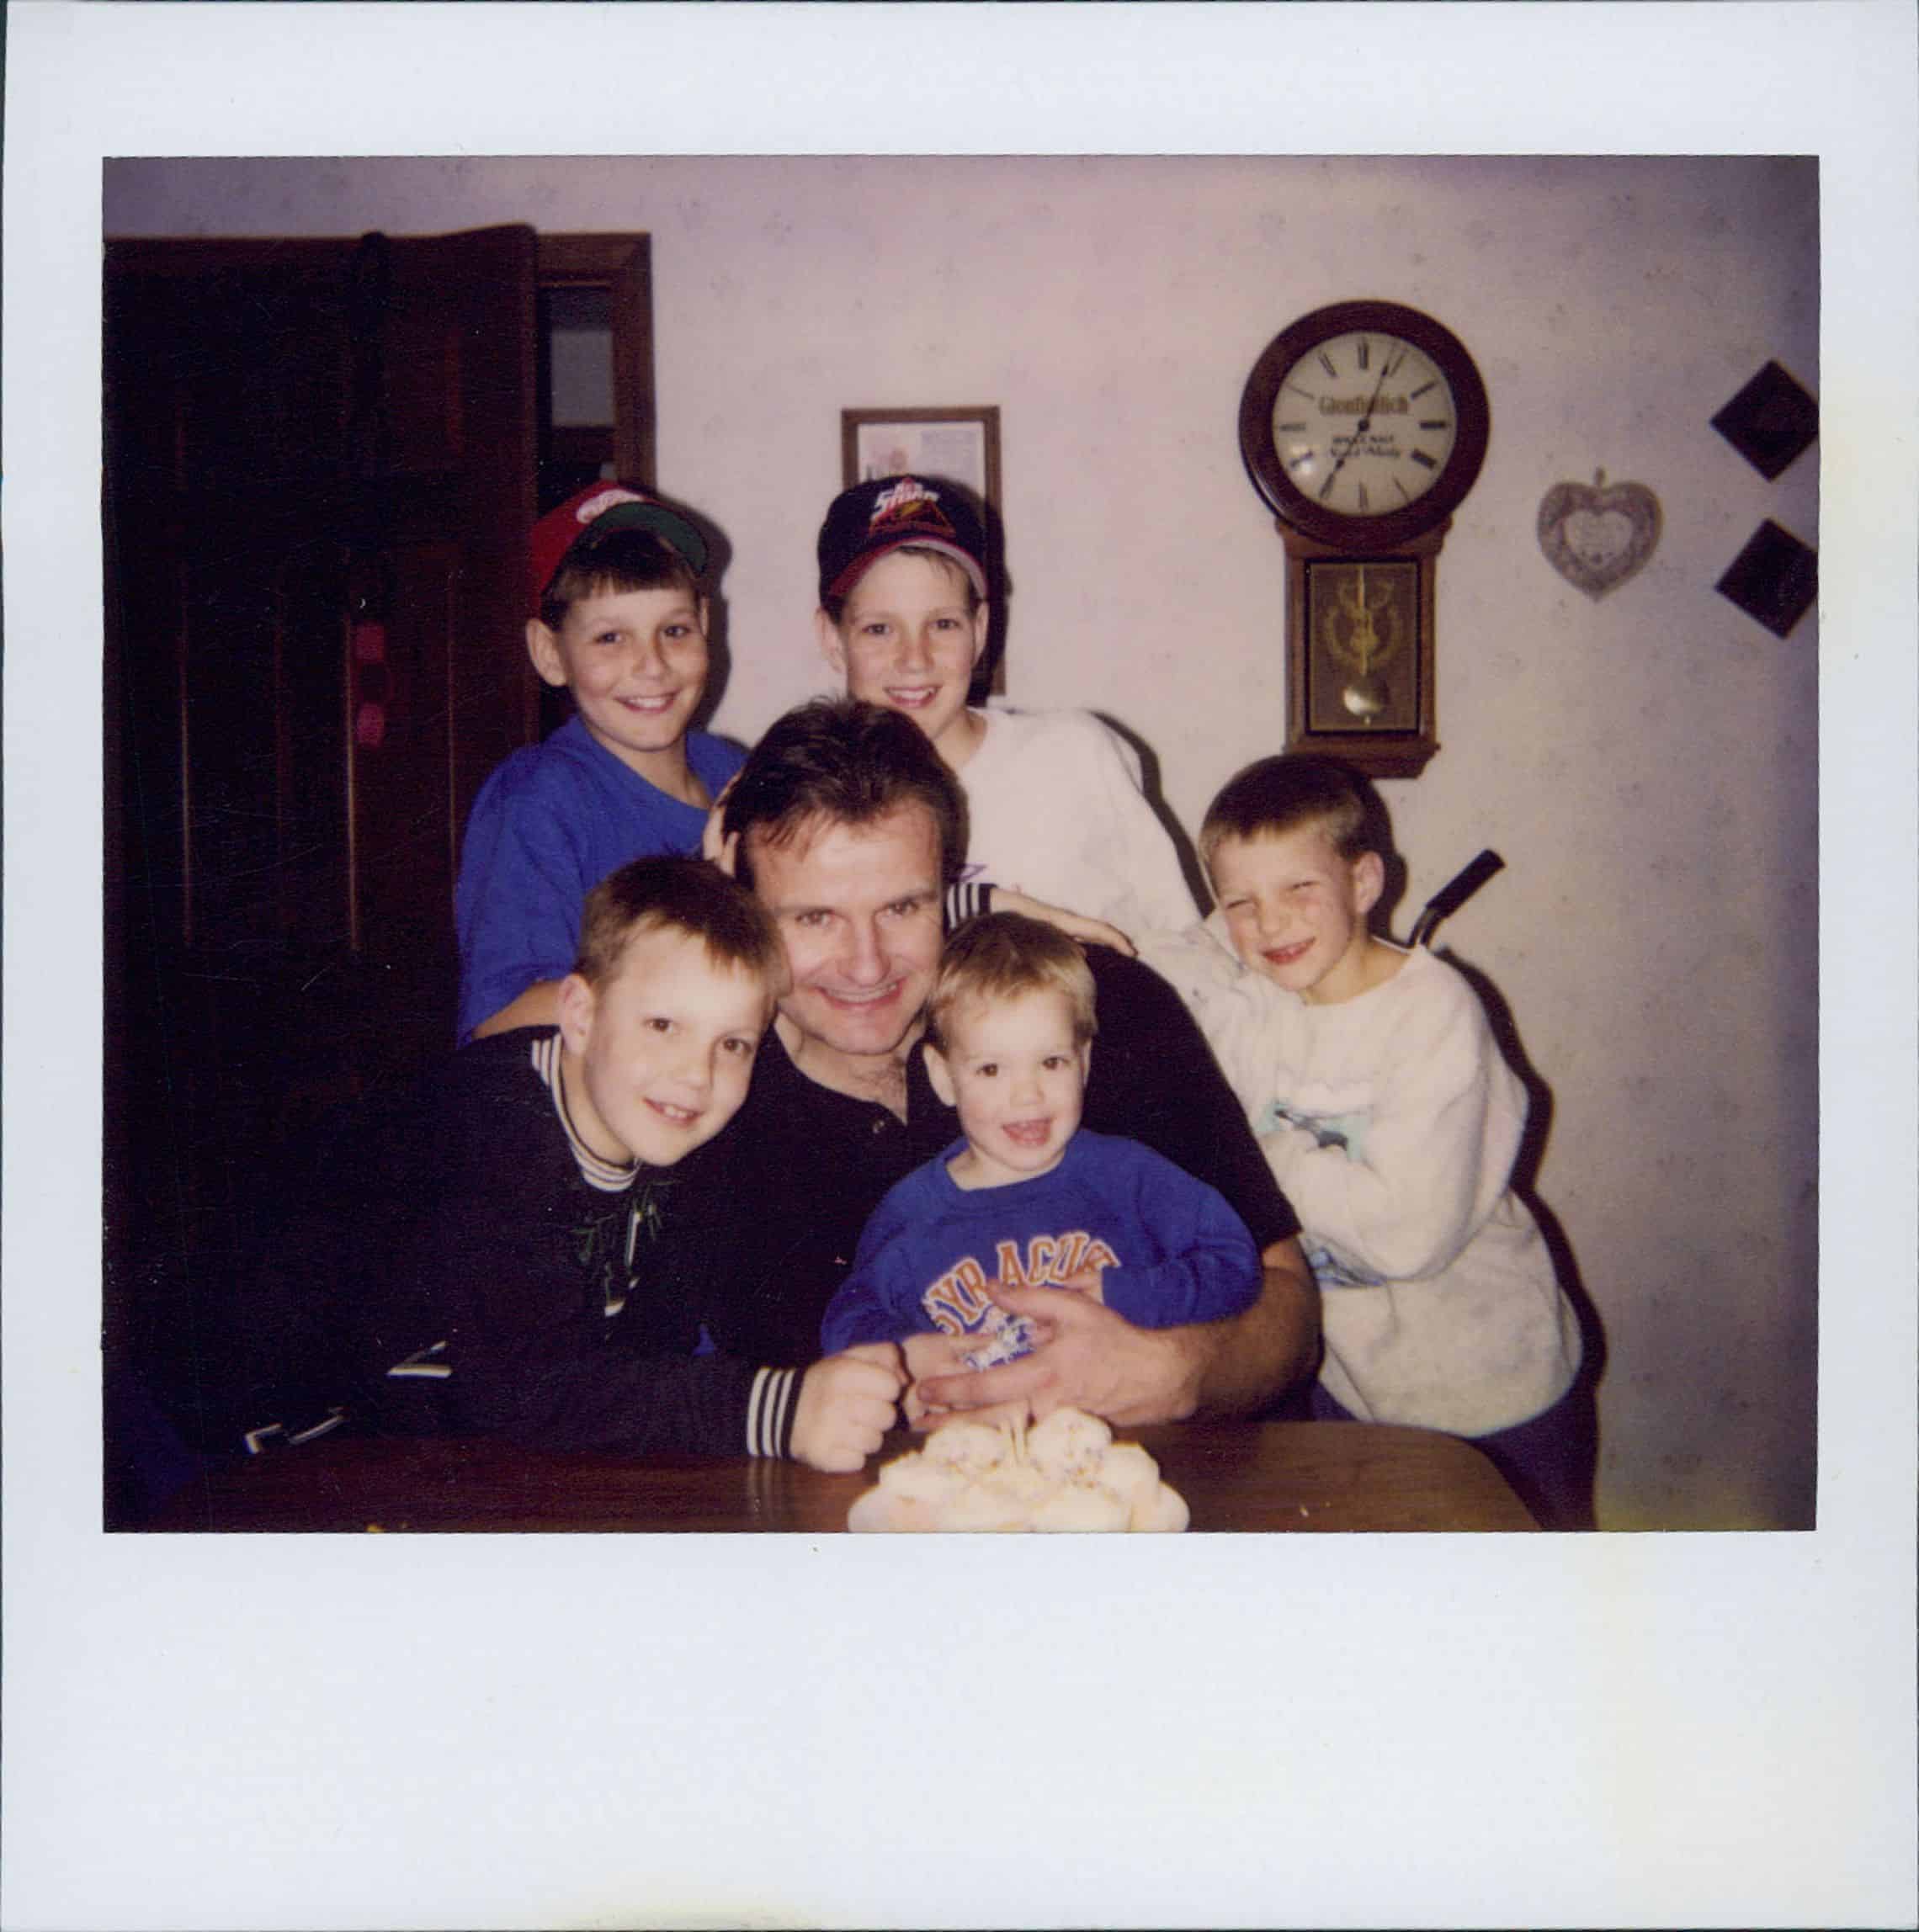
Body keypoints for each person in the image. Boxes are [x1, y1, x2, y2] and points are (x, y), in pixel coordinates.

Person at [649, 697, 1320, 1429]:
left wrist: (1183, 1373)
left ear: (949, 886)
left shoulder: (1097, 1004)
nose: (867, 964)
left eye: (904, 908)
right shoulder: (696, 1097)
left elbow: (1287, 1296)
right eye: (815, 918)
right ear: (744, 905)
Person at [1134, 754, 1592, 1526]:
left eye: (1299, 890)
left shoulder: (1433, 1013)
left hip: (1497, 1396)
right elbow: (1178, 966)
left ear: (1366, 882)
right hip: (1355, 1388)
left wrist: (1260, 1156)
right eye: (1240, 902)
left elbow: (1406, 1234)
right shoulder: (1264, 1004)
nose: (1269, 923)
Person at [335, 855, 901, 1470]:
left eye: (732, 1044)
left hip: (459, 1464)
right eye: (663, 1025)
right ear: (580, 1015)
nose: (695, 1074)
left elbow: (651, 1357)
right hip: (286, 1448)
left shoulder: (681, 1142)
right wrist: (776, 1411)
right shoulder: (492, 1125)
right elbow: (523, 1389)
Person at [819, 912, 1262, 1373]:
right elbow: (847, 1320)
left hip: (1123, 1431)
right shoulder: (910, 1214)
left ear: (1083, 1062)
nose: (1028, 1095)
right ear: (943, 1077)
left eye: (1051, 1062)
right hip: (979, 1434)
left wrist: (1130, 1294)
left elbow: (1235, 1262)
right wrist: (906, 1353)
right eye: (991, 1069)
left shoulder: (1130, 1177)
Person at [813, 474, 1199, 939]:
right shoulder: (815, 802)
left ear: (980, 628)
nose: (914, 659)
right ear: (833, 640)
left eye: (943, 624)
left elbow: (1187, 948)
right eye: (879, 629)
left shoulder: (1076, 756)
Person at [454, 482, 746, 1043]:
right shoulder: (538, 799)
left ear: (706, 624)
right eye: (611, 637)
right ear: (549, 653)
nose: (652, 666)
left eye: (675, 630)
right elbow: (502, 1016)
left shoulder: (736, 770)